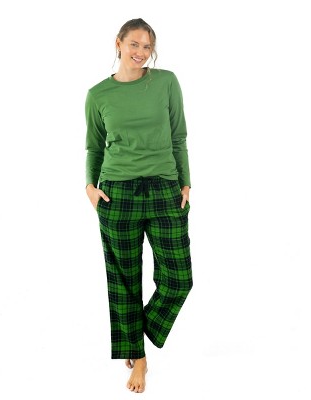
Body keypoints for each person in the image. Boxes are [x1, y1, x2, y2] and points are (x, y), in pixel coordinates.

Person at [84, 18, 193, 393]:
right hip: (117, 194)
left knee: (179, 280)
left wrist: (185, 181)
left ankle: (133, 335)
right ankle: (139, 360)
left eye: (147, 46)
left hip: (165, 190)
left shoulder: (166, 82)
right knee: (124, 281)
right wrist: (90, 186)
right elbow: (94, 146)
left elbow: (179, 136)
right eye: (134, 44)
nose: (141, 52)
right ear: (119, 43)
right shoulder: (98, 94)